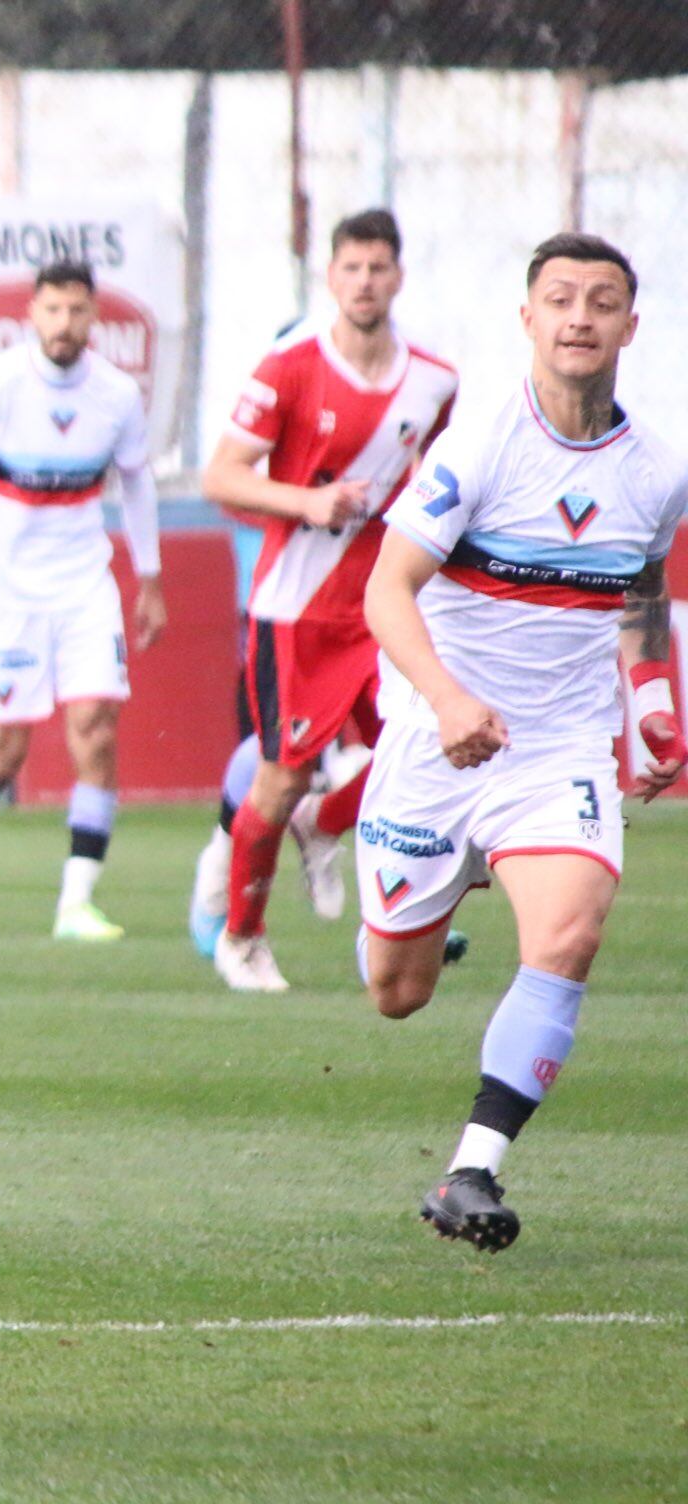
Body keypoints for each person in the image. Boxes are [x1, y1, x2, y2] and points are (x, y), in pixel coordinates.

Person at [359, 232, 685, 1251]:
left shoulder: (657, 472)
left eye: (599, 302)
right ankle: (444, 883)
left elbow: (638, 590)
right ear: (527, 319)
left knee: (569, 934)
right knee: (395, 992)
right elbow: (384, 589)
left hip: (554, 750)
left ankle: (469, 1172)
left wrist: (650, 705)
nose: (578, 317)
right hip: (431, 736)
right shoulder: (477, 444)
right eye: (558, 299)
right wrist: (449, 700)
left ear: (630, 326)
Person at [195, 209, 458, 991]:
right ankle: (241, 937)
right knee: (281, 777)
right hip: (299, 606)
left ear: (398, 277)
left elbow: (437, 482)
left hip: (386, 602)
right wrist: (309, 504)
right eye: (352, 268)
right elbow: (220, 475)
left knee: (428, 755)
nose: (366, 282)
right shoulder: (290, 365)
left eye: (379, 268)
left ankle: (345, 847)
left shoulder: (435, 379)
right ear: (331, 277)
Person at [0, 259, 164, 941]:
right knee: (2, 754)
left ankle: (76, 902)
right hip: (6, 590)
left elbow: (137, 483)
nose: (64, 324)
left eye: (77, 311)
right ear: (33, 313)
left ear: (93, 317)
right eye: (52, 310)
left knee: (97, 731)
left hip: (85, 583)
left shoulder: (115, 395)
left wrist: (149, 577)